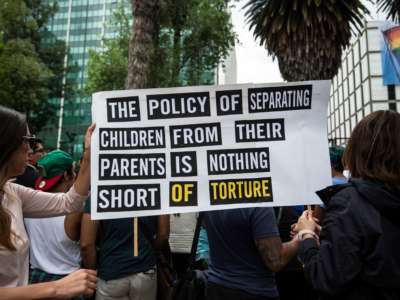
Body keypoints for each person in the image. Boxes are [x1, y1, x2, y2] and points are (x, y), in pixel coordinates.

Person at [295, 110, 400, 300]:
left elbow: (326, 279)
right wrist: (328, 233)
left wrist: (307, 236)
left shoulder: (349, 203)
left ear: (358, 150)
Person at [0, 105, 96, 299]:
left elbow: (69, 202)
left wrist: (88, 155)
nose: (31, 149)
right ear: (6, 144)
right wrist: (57, 288)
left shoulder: (12, 193)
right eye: (27, 140)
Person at [80, 198, 170, 300]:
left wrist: (92, 273)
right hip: (145, 270)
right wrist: (150, 251)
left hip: (110, 273)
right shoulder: (156, 190)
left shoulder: (100, 191)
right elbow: (163, 235)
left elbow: (86, 244)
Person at [205, 208, 299, 300]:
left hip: (215, 285)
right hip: (253, 290)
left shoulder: (210, 197)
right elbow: (275, 260)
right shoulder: (259, 204)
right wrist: (302, 236)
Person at [25, 150, 83, 286]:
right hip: (69, 281)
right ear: (66, 175)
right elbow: (87, 245)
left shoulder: (28, 203)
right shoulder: (76, 209)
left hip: (35, 281)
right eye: (73, 172)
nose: (75, 176)